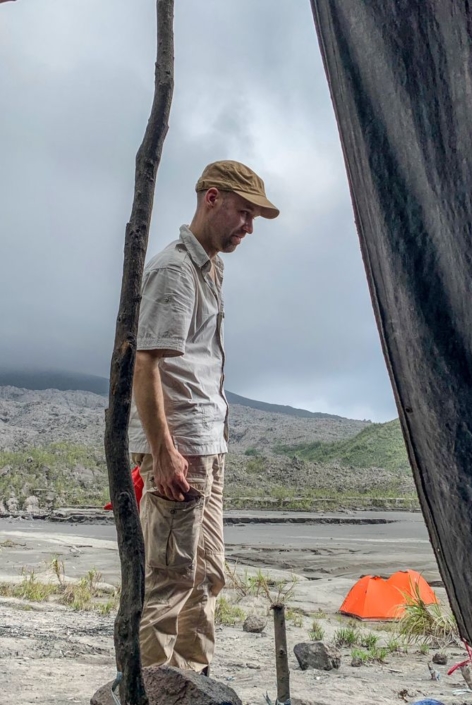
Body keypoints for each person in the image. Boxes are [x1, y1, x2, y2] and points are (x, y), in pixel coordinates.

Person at [128, 160, 279, 674]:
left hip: (207, 442)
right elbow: (145, 363)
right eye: (243, 212)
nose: (248, 227)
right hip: (181, 445)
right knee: (170, 577)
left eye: (254, 218)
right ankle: (151, 687)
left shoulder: (209, 268)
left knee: (209, 573)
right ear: (211, 198)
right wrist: (165, 452)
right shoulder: (174, 270)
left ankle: (192, 680)